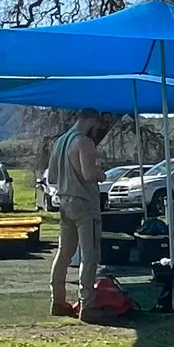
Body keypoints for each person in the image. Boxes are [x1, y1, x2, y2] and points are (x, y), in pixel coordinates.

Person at [48, 109, 107, 318]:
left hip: (64, 201)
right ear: (91, 121)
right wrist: (101, 173)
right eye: (97, 126)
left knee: (64, 253)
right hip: (84, 203)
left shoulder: (60, 142)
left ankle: (58, 300)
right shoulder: (84, 142)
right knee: (89, 255)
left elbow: (52, 177)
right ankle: (87, 303)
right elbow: (89, 174)